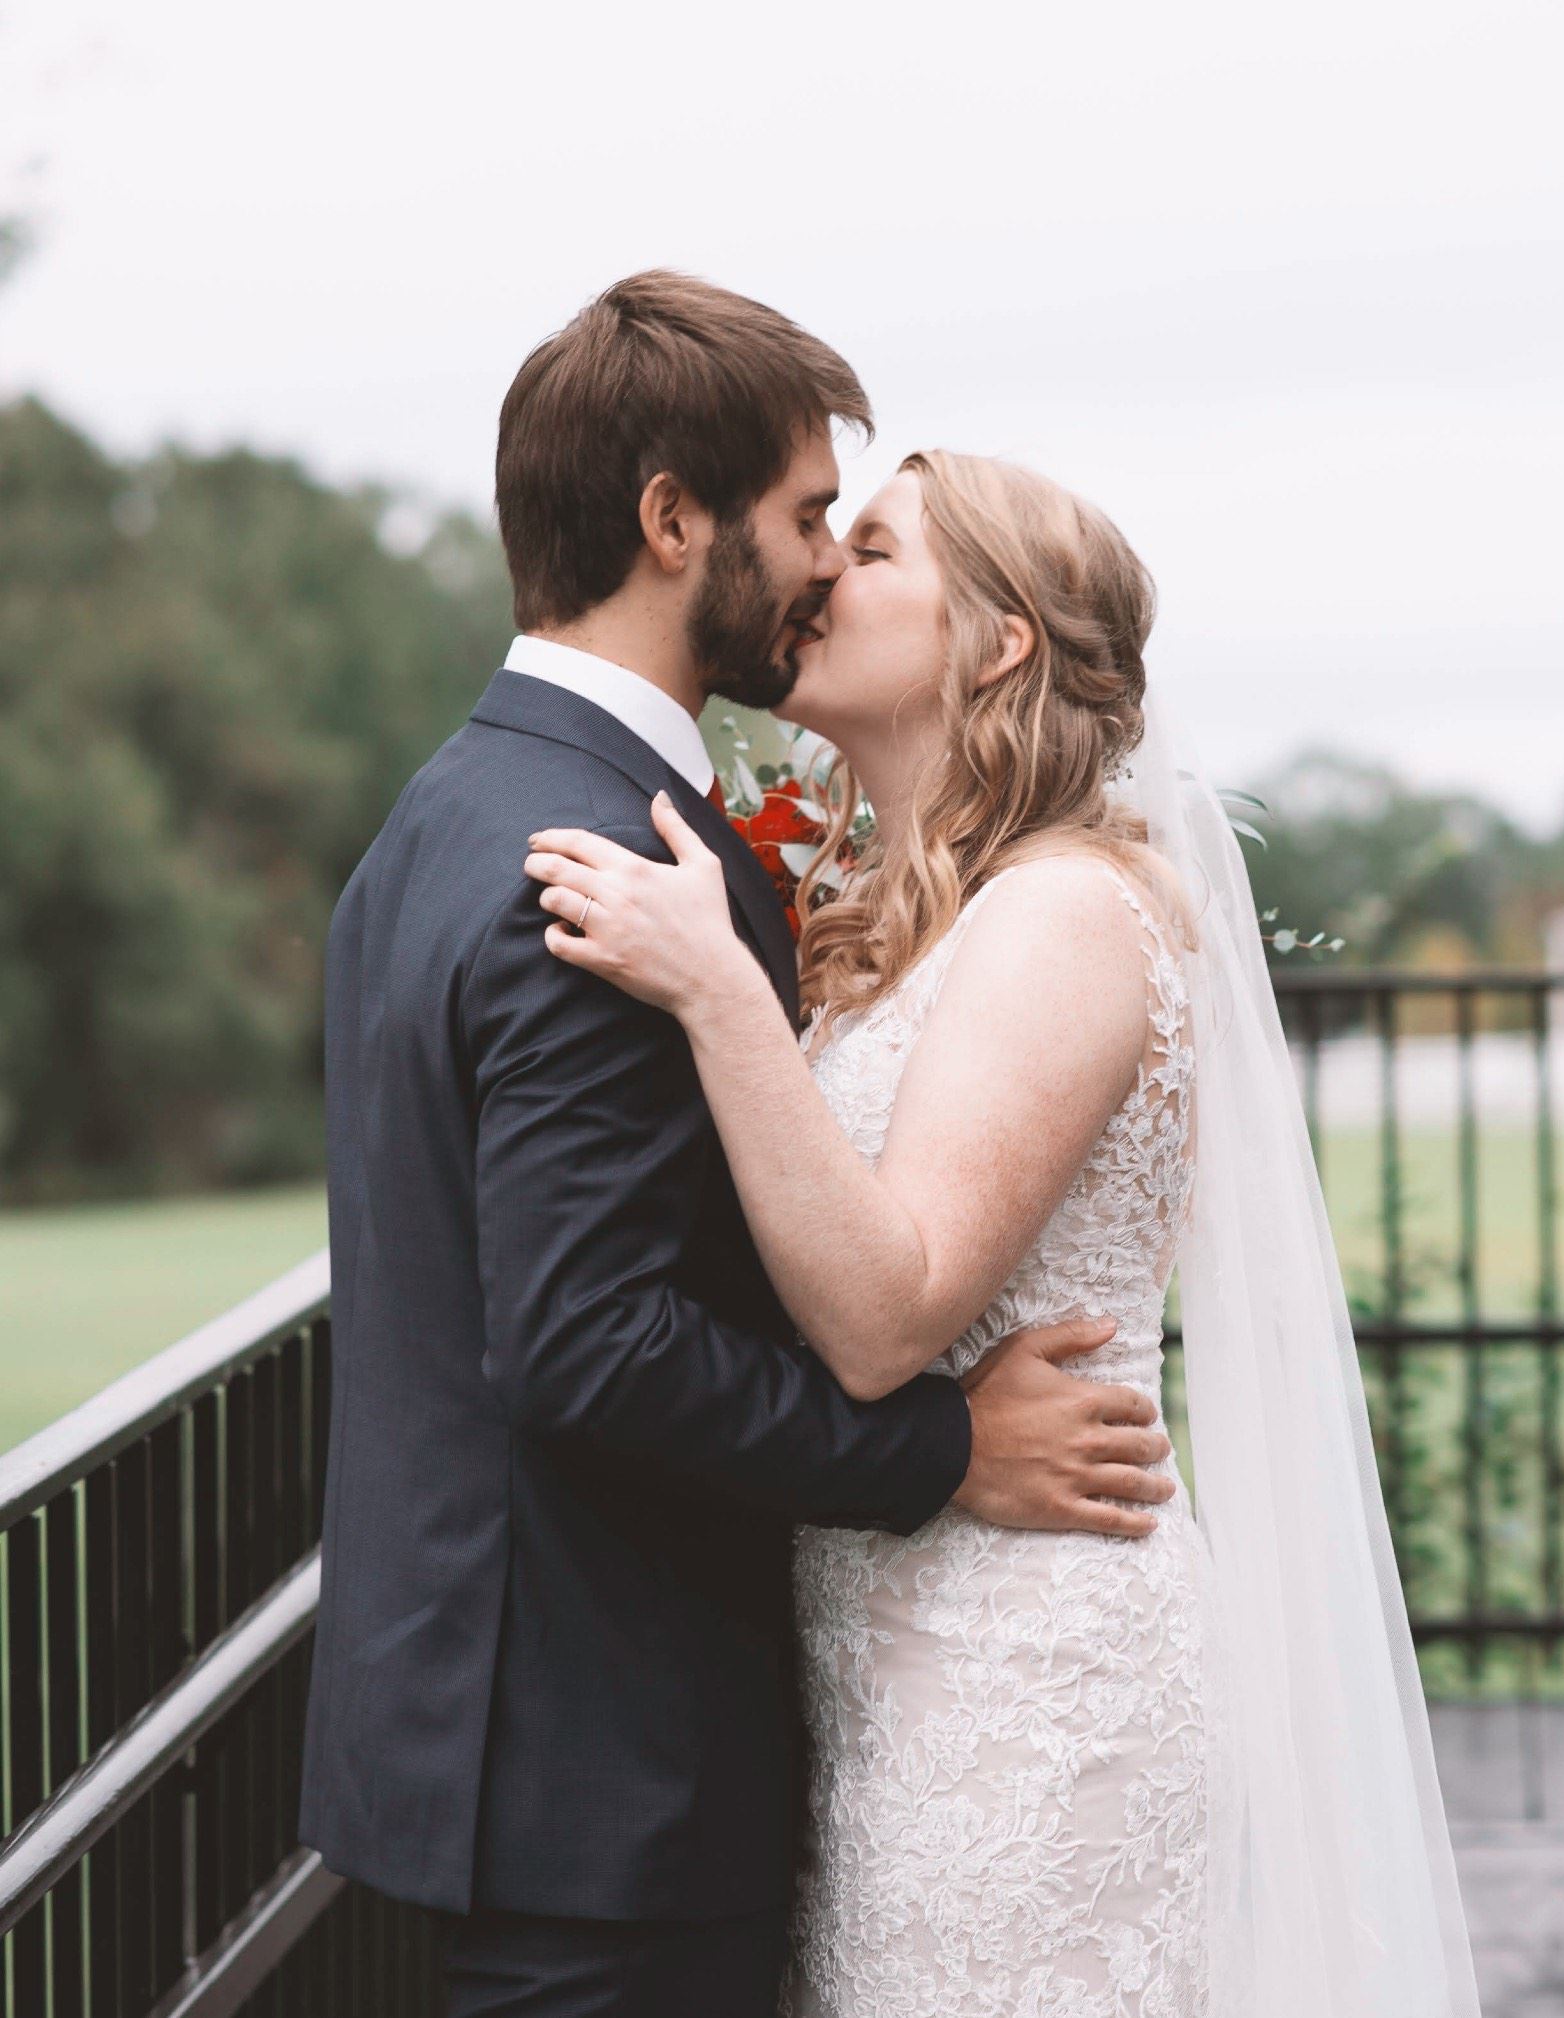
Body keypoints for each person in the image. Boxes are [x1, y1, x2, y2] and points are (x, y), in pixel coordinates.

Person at [298, 274, 1176, 2018]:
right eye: (799, 520)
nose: (818, 566)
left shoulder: (454, 811)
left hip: (575, 1738)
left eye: (857, 539)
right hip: (599, 1769)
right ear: (669, 520)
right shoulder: (601, 861)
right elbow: (584, 1337)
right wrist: (939, 1451)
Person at [525, 448, 1483, 2014]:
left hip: (1029, 1680)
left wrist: (708, 985)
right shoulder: (908, 909)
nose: (821, 572)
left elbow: (885, 1311)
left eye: (875, 546)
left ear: (1001, 639)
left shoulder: (1065, 916)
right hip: (887, 1656)